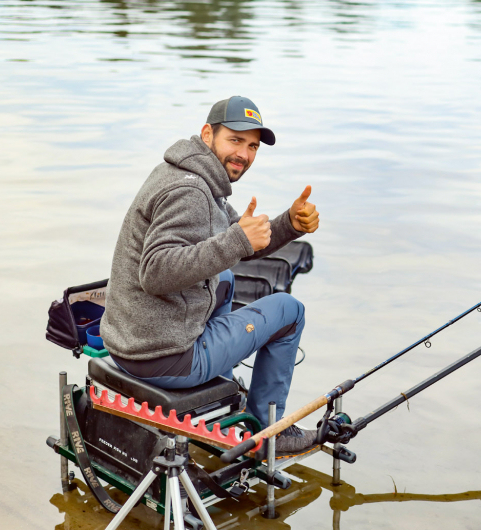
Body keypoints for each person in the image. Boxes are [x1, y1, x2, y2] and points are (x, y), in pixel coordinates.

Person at [100, 96, 320, 454]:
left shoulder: (189, 173)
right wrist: (235, 241)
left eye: (252, 146)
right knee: (289, 311)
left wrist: (288, 224)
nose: (245, 155)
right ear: (208, 134)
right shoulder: (190, 191)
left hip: (132, 341)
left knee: (227, 278)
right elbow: (154, 272)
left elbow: (238, 239)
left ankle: (222, 388)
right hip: (162, 355)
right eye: (235, 140)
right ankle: (267, 433)